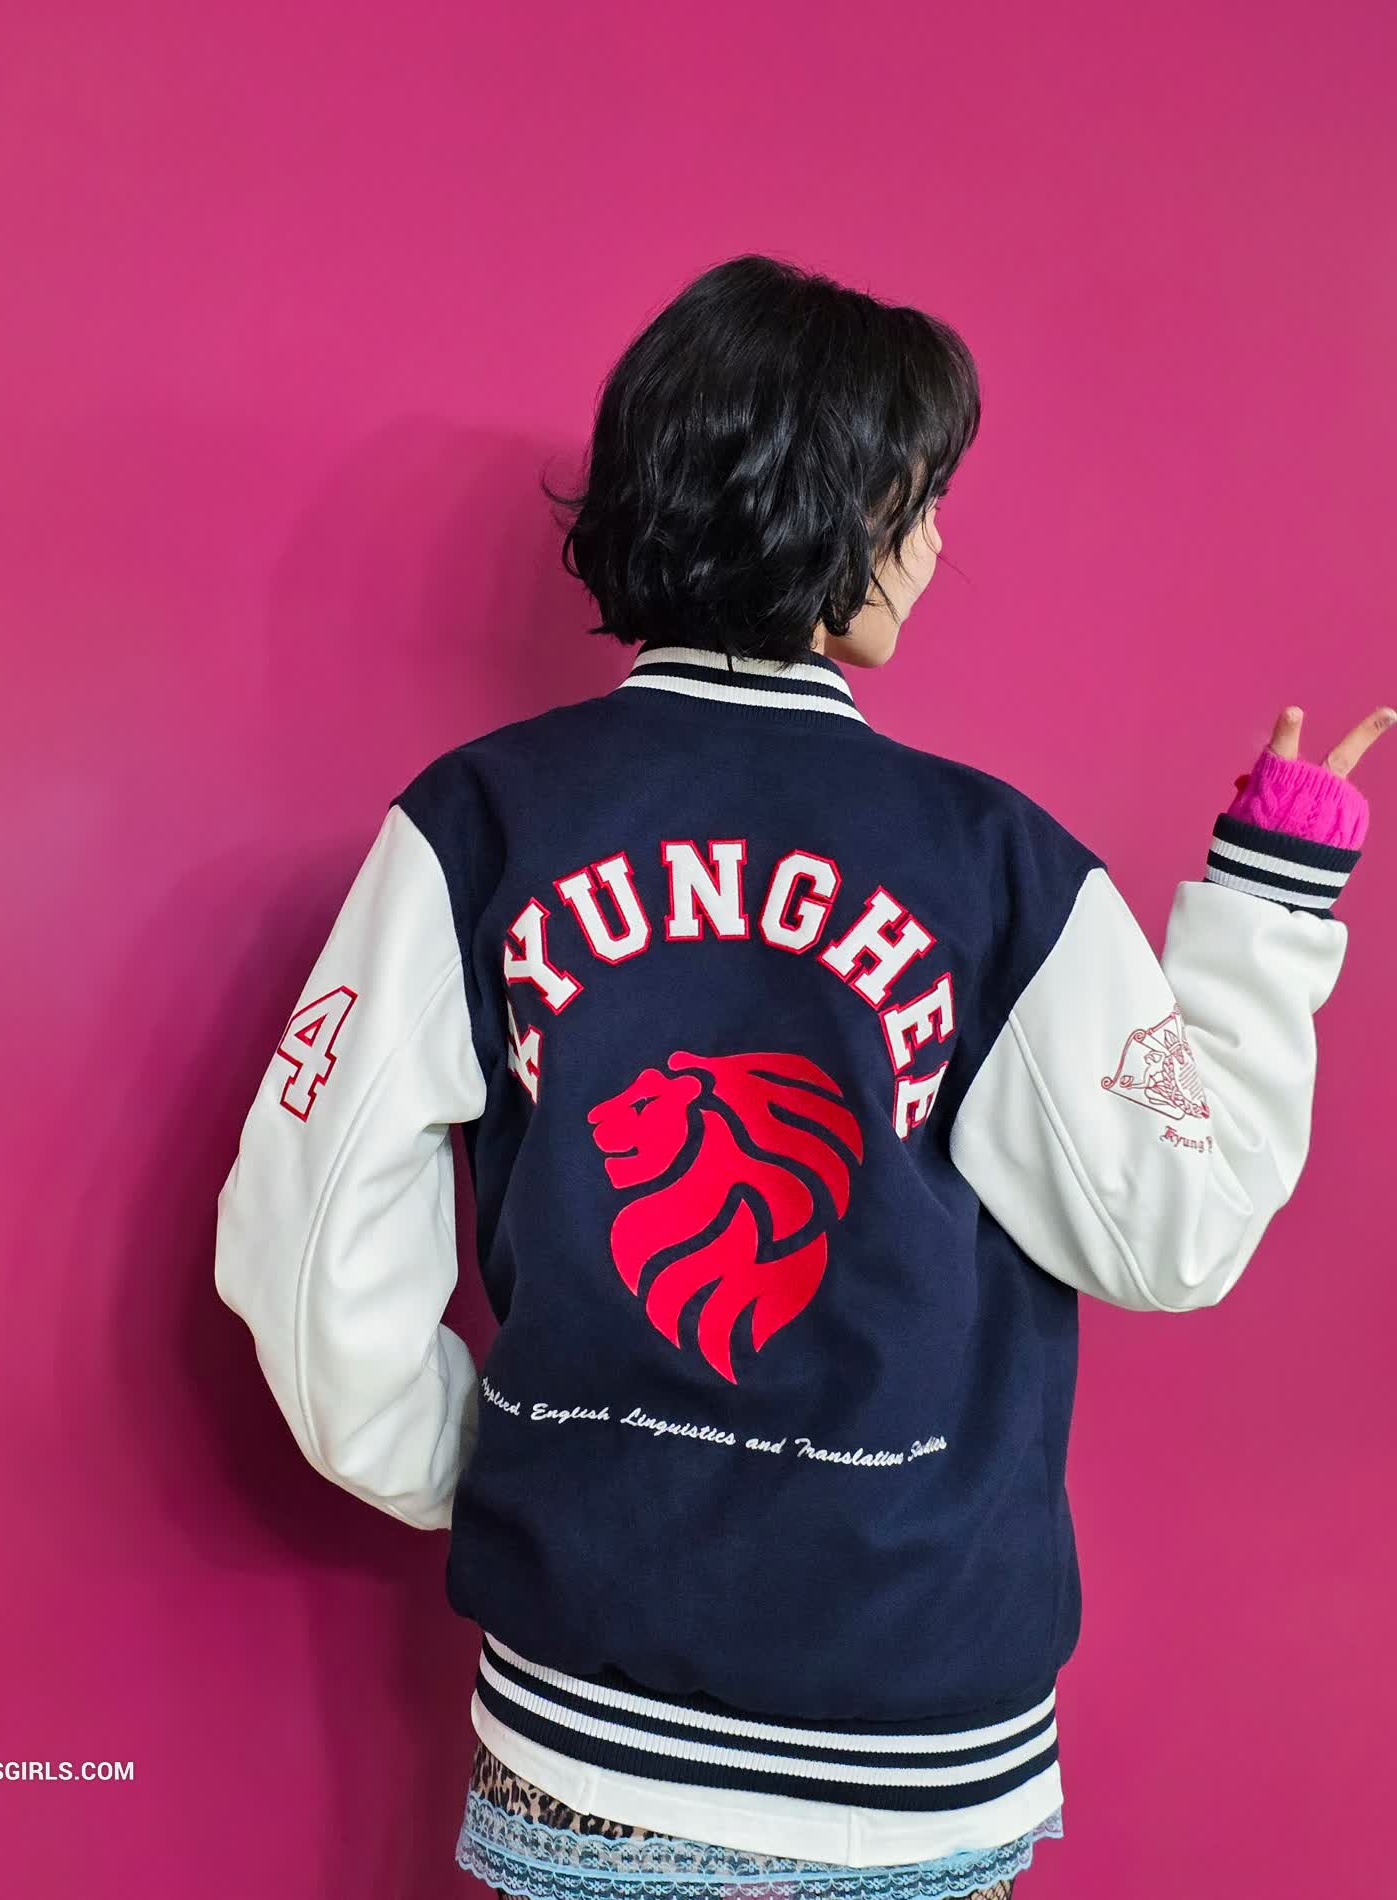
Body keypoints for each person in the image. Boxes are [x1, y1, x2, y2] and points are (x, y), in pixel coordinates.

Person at [212, 255, 1388, 1900]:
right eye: (922, 500)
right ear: (844, 510)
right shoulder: (998, 867)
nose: (935, 548)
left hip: (590, 1728)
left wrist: (504, 1472)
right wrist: (1270, 907)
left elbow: (305, 1233)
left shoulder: (480, 821)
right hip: (916, 1742)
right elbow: (1174, 1233)